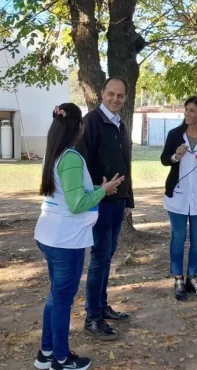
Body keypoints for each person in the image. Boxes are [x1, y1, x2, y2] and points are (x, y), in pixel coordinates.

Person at [33, 103, 125, 370]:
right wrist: (101, 191)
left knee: (55, 296)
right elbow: (76, 204)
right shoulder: (71, 157)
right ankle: (61, 359)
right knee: (62, 300)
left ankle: (46, 353)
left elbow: (68, 191)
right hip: (66, 240)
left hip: (51, 235)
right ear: (79, 126)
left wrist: (98, 188)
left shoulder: (54, 154)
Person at [76, 77, 134, 341]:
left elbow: (125, 164)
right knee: (100, 258)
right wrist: (95, 196)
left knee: (108, 256)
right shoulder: (90, 123)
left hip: (117, 202)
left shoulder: (121, 124)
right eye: (111, 94)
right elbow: (83, 165)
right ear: (102, 93)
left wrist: (128, 199)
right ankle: (92, 318)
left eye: (120, 96)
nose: (115, 99)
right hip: (99, 202)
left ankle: (102, 306)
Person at [160, 96, 197, 301]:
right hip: (177, 196)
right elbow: (164, 160)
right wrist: (176, 156)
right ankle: (178, 278)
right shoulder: (175, 134)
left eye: (192, 110)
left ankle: (192, 277)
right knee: (178, 239)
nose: (187, 113)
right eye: (186, 110)